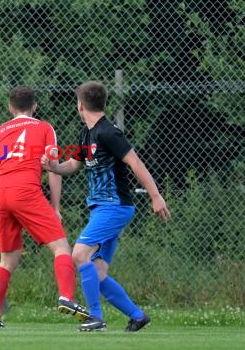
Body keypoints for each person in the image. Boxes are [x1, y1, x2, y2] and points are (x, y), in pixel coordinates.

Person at [41, 81, 171, 332]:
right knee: (98, 273)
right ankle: (137, 316)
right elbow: (73, 165)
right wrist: (53, 167)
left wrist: (155, 196)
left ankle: (96, 317)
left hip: (114, 206)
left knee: (79, 254)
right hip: (103, 209)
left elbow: (135, 162)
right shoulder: (86, 134)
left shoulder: (108, 132)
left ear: (80, 104)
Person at [0, 86, 89, 328]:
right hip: (26, 192)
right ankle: (66, 296)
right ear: (35, 106)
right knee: (61, 247)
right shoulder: (44, 127)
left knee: (7, 260)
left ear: (10, 107)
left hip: (0, 194)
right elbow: (52, 167)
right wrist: (55, 206)